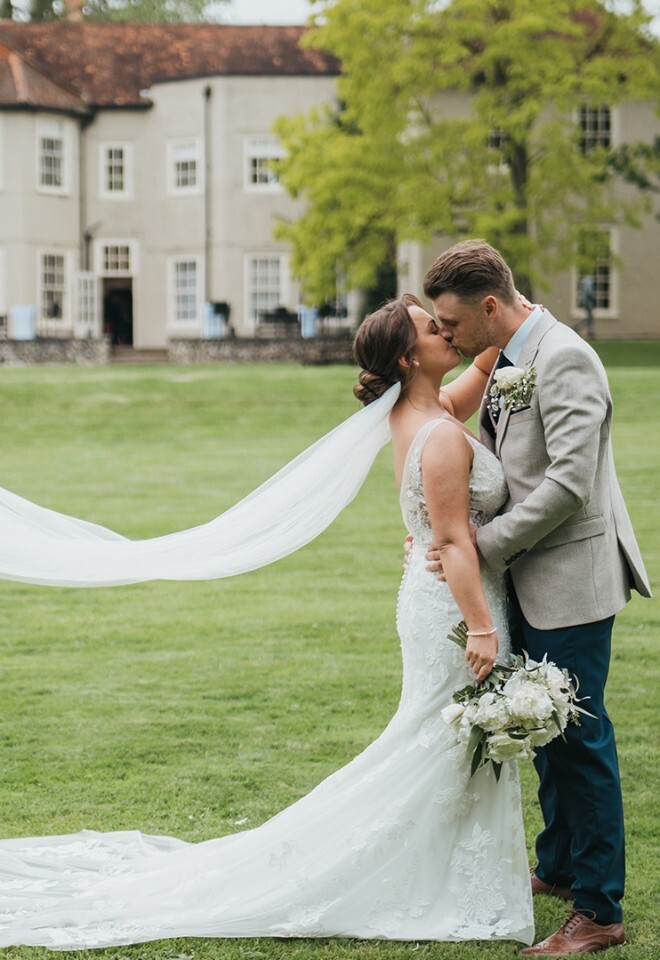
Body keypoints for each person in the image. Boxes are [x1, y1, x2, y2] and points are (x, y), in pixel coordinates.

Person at [0, 296, 535, 948]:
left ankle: (449, 866)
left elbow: (479, 366)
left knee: (441, 741)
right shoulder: (442, 431)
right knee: (445, 741)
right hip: (454, 610)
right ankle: (410, 873)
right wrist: (481, 628)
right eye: (432, 327)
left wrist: (512, 311)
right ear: (406, 355)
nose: (446, 331)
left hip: (426, 603)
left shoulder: (419, 413)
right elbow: (451, 542)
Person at [422, 240, 651, 957]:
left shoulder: (566, 356)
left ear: (490, 306)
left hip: (573, 580)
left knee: (580, 741)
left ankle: (599, 910)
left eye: (452, 324)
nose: (448, 337)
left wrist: (481, 545)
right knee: (544, 731)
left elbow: (568, 484)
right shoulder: (508, 356)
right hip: (529, 580)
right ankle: (556, 866)